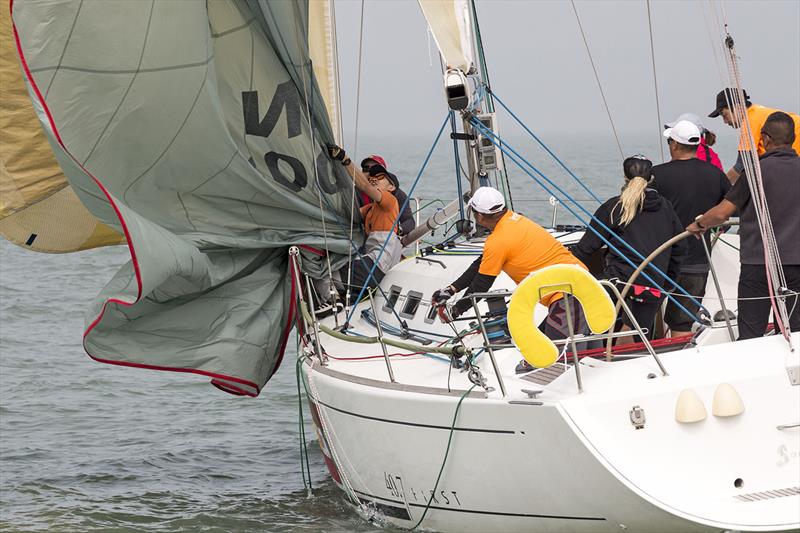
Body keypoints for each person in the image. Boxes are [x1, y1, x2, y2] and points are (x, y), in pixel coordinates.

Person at [432, 187, 589, 371]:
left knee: (554, 362)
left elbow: (483, 282)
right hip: (572, 287)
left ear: (479, 216)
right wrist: (451, 289)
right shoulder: (515, 220)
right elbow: (480, 263)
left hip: (570, 293)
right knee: (537, 351)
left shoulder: (499, 240)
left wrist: (457, 310)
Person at [687, 111, 800, 340]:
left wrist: (699, 224)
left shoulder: (756, 171)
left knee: (751, 334)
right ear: (794, 137)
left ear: (765, 138)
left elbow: (722, 213)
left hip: (758, 264)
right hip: (797, 264)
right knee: (794, 333)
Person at [573, 156, 686, 344]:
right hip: (653, 284)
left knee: (609, 325)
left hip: (619, 284)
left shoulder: (614, 207)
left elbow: (586, 248)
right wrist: (668, 283)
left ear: (625, 178)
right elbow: (679, 247)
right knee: (637, 331)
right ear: (651, 180)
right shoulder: (666, 207)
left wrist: (558, 267)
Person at [652, 120, 730, 337]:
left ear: (675, 145)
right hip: (697, 260)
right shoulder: (715, 174)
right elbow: (732, 208)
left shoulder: (656, 175)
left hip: (660, 259)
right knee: (682, 325)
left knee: (641, 319)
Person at [327, 144, 403, 293]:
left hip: (376, 264)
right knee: (330, 268)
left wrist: (345, 159)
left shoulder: (390, 200)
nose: (374, 179)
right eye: (373, 177)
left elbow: (365, 187)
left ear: (391, 187)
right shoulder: (371, 208)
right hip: (372, 263)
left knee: (323, 272)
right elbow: (346, 215)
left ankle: (332, 300)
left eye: (381, 177)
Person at [707, 88, 800, 183]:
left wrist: (719, 187)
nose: (725, 121)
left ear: (738, 107)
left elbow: (742, 165)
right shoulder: (757, 112)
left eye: (724, 115)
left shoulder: (750, 121)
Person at [360, 155, 416, 236]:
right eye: (366, 168)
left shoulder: (397, 195)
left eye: (379, 176)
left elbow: (409, 221)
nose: (370, 171)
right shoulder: (355, 191)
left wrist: (397, 231)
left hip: (384, 238)